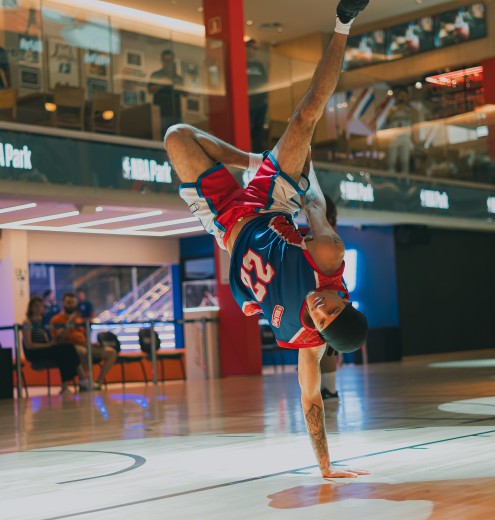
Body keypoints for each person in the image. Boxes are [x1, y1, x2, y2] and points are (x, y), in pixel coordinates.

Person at [165, 0, 370, 479]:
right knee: (305, 118)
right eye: (331, 307)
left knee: (177, 137)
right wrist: (300, 176)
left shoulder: (305, 341)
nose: (320, 308)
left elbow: (310, 399)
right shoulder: (329, 258)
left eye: (322, 319)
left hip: (225, 226)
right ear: (343, 298)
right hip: (270, 201)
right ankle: (343, 22)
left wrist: (325, 467)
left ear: (320, 335)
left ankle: (252, 158)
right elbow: (315, 207)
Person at [22, 296, 89, 394]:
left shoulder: (41, 322)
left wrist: (52, 343)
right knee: (66, 350)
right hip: (34, 352)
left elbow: (46, 341)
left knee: (67, 349)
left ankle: (67, 386)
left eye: (41, 306)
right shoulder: (27, 322)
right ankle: (82, 378)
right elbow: (28, 345)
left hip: (43, 349)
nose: (39, 308)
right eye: (36, 306)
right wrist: (49, 345)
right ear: (31, 308)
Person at [50, 293, 118, 390]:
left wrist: (92, 344)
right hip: (71, 348)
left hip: (86, 346)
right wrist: (69, 321)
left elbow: (82, 337)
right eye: (68, 302)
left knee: (111, 352)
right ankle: (85, 381)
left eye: (73, 302)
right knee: (84, 352)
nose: (71, 305)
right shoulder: (56, 319)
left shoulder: (78, 320)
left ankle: (98, 383)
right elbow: (59, 338)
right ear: (63, 303)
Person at [319, 194, 340, 401]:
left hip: (328, 293)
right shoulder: (331, 233)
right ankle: (329, 389)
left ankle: (329, 390)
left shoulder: (324, 235)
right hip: (331, 294)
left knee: (326, 346)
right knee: (326, 346)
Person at [148, 49, 184, 135]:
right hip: (162, 113)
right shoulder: (156, 75)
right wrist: (162, 84)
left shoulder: (178, 78)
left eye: (169, 60)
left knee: (177, 137)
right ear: (162, 60)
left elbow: (185, 93)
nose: (168, 62)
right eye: (166, 60)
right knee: (163, 136)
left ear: (173, 60)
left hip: (176, 113)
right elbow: (150, 90)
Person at [246, 39, 269, 153]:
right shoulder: (241, 64)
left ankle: (258, 154)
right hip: (248, 103)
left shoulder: (259, 65)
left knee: (259, 130)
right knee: (247, 129)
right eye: (251, 48)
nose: (253, 51)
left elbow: (265, 82)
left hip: (261, 102)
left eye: (256, 49)